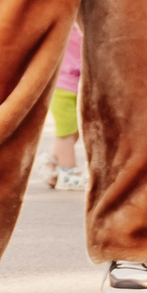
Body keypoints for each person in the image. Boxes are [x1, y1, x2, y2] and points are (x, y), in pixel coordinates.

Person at [39, 23, 89, 191]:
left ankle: (52, 161)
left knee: (73, 131)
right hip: (62, 87)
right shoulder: (68, 22)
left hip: (74, 84)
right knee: (66, 131)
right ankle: (69, 172)